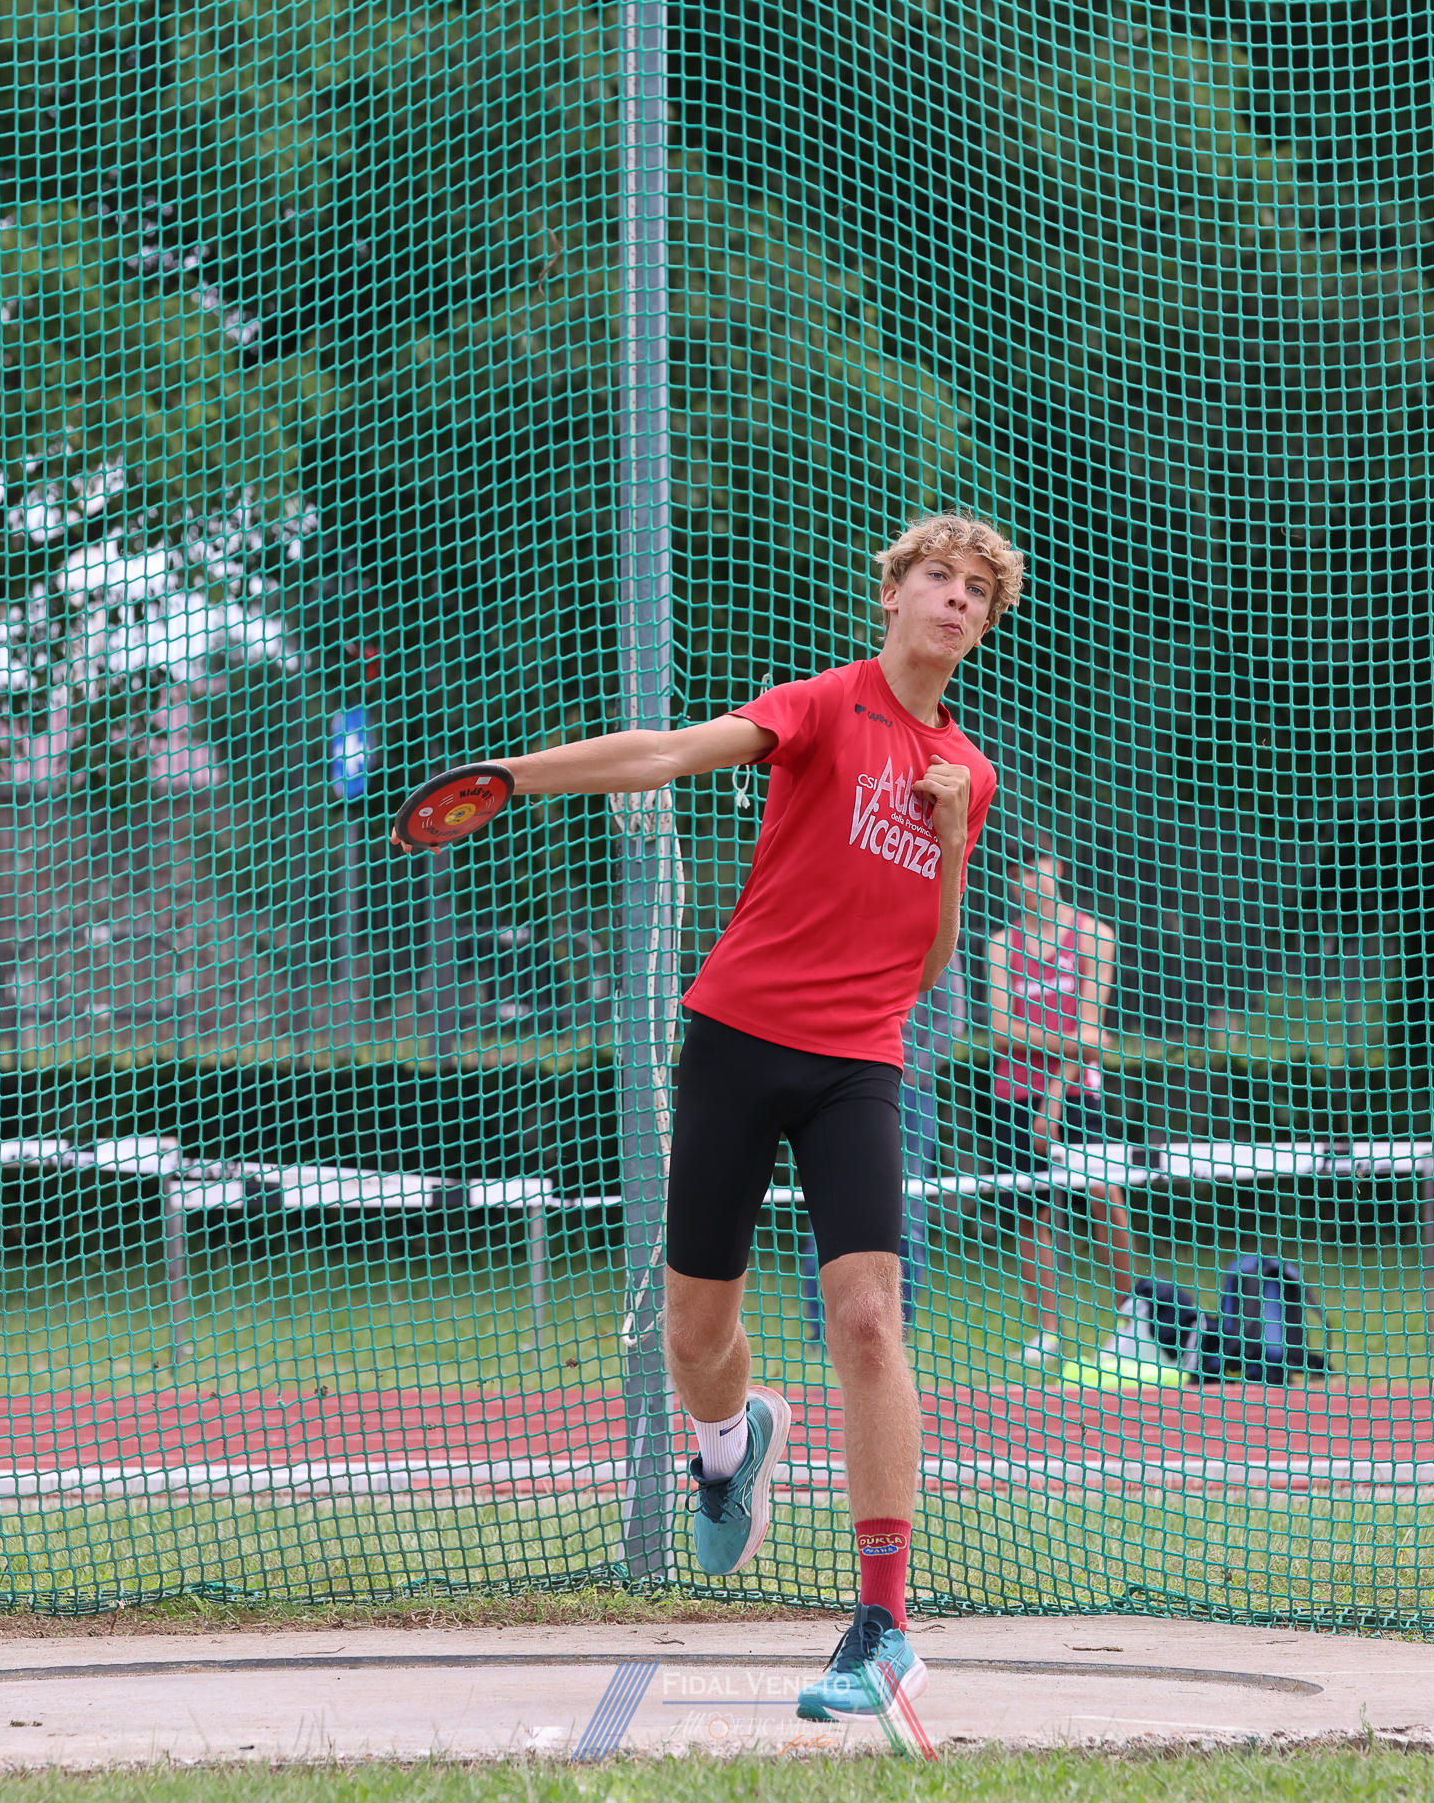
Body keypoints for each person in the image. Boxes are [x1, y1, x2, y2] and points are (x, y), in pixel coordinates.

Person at [406, 512, 1015, 1721]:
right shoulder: (825, 705)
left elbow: (930, 962)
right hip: (737, 1038)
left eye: (977, 592)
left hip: (858, 1060)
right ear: (893, 594)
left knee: (868, 1318)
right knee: (693, 1338)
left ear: (984, 626)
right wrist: (517, 775)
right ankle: (731, 1442)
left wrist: (951, 840)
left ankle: (884, 1624)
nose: (955, 598)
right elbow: (666, 753)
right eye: (938, 577)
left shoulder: (968, 772)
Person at [987, 848, 1136, 1365]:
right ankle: (1047, 1334)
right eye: (1018, 872)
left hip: (1075, 1093)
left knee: (1104, 1195)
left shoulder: (1095, 936)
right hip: (1012, 1094)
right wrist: (1068, 1041)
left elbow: (1091, 1035)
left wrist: (1051, 1101)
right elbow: (1001, 1031)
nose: (1029, 881)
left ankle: (1131, 1324)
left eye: (1038, 868)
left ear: (1059, 869)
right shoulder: (1001, 945)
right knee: (1031, 1211)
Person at [797, 959, 959, 1344]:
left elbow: (951, 1020)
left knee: (905, 1211)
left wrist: (906, 1069)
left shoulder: (935, 939)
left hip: (909, 1091)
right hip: (839, 1085)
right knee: (828, 1206)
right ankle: (825, 1331)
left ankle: (893, 1329)